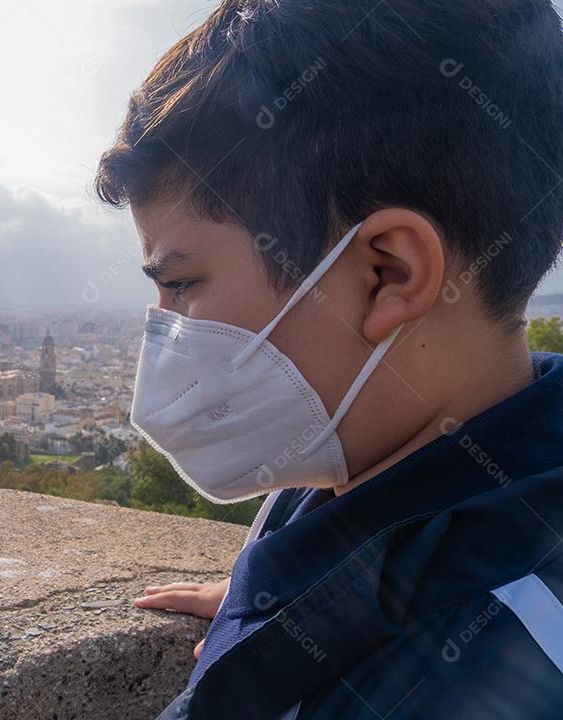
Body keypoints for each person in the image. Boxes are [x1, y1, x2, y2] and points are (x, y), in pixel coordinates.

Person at [94, 1, 563, 718]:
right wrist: (290, 599)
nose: (163, 329)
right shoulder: (362, 464)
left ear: (388, 274)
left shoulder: (486, 673)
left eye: (182, 284)